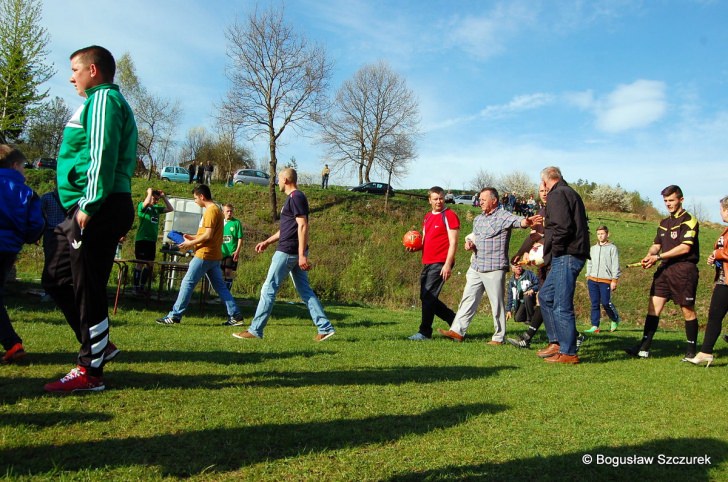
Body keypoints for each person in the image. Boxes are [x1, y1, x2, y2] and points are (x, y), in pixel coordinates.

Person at [42, 46, 137, 393]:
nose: (71, 77)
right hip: (89, 206)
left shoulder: (103, 101)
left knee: (88, 287)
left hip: (98, 205)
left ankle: (90, 372)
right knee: (56, 278)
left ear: (93, 70)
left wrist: (89, 204)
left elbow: (101, 154)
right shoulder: (96, 103)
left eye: (75, 70)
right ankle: (100, 344)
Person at [233, 168, 335, 341]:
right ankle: (324, 328)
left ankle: (255, 330)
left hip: (288, 251)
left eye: (279, 179)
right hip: (291, 250)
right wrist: (267, 241)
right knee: (305, 291)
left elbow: (303, 225)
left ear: (286, 180)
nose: (277, 182)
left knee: (268, 288)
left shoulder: (296, 197)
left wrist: (302, 255)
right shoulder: (293, 199)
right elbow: (286, 229)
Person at [438, 187, 541, 344]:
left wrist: (526, 222)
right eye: (480, 199)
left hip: (494, 267)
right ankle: (457, 331)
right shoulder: (478, 219)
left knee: (497, 304)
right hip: (476, 266)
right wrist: (470, 243)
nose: (480, 202)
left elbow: (518, 222)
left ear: (494, 201)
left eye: (484, 200)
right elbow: (474, 237)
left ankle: (499, 337)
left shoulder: (503, 216)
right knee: (468, 299)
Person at [625, 185, 700, 360]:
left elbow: (685, 247)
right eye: (665, 201)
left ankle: (691, 351)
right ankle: (643, 348)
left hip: (683, 270)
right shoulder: (664, 222)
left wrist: (658, 257)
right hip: (664, 270)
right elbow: (656, 244)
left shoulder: (689, 220)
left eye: (671, 200)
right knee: (653, 307)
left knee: (687, 309)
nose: (668, 204)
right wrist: (649, 254)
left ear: (681, 199)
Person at [156, 184, 243, 326]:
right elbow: (208, 233)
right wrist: (192, 237)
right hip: (214, 256)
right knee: (220, 287)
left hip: (204, 255)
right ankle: (236, 315)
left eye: (195, 198)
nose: (195, 201)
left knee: (187, 283)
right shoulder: (217, 210)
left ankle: (175, 316)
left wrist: (190, 244)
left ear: (202, 196)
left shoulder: (210, 211)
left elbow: (208, 235)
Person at [537, 167, 590, 364]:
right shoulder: (569, 192)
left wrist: (556, 250)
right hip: (569, 253)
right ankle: (557, 342)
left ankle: (568, 351)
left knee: (561, 303)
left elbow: (562, 227)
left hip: (567, 254)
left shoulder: (558, 194)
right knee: (545, 296)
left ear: (545, 182)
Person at [0, 146, 44, 364]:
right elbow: (36, 224)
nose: (26, 173)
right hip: (8, 249)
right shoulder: (27, 192)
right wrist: (25, 237)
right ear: (14, 165)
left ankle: (12, 344)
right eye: (24, 168)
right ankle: (12, 344)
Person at [407, 186, 460, 341]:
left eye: (441, 198)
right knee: (427, 297)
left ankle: (424, 332)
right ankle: (455, 321)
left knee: (428, 297)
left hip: (441, 262)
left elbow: (454, 242)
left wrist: (447, 264)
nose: (439, 201)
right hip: (428, 262)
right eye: (435, 199)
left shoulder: (449, 215)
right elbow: (424, 240)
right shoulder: (428, 216)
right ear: (429, 200)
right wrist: (415, 247)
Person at [685, 196, 728, 366]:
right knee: (715, 316)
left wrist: (718, 254)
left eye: (721, 210)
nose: (720, 213)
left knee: (715, 316)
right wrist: (715, 259)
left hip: (726, 283)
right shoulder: (725, 231)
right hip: (723, 278)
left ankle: (705, 352)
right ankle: (706, 352)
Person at [133, 188, 174, 294]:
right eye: (154, 199)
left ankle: (142, 286)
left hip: (152, 241)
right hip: (142, 240)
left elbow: (170, 208)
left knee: (150, 264)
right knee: (140, 263)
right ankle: (136, 287)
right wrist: (149, 193)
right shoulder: (142, 206)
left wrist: (163, 197)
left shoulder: (156, 209)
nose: (156, 201)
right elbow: (146, 203)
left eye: (157, 199)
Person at [584, 225, 621, 333]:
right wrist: (588, 275)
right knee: (594, 303)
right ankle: (595, 326)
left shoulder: (612, 248)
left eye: (602, 234)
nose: (600, 236)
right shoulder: (593, 248)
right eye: (598, 234)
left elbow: (615, 264)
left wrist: (614, 280)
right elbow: (589, 262)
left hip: (606, 280)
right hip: (593, 280)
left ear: (607, 234)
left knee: (605, 302)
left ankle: (615, 319)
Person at [221, 203, 244, 293]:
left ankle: (226, 294)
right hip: (220, 252)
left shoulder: (236, 223)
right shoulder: (220, 222)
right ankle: (219, 293)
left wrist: (237, 251)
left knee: (228, 272)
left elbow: (240, 238)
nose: (230, 213)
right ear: (223, 212)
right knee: (219, 273)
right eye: (228, 211)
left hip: (231, 252)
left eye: (231, 211)